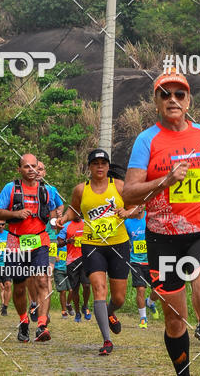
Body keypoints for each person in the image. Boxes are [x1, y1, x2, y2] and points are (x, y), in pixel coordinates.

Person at [123, 69, 200, 376]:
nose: (172, 100)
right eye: (165, 94)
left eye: (179, 94)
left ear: (188, 100)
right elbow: (129, 196)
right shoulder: (146, 140)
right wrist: (164, 181)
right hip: (162, 238)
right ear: (156, 101)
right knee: (175, 317)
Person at [56, 149, 130, 356]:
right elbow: (74, 210)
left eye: (103, 163)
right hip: (92, 244)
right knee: (98, 288)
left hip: (118, 244)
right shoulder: (81, 189)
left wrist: (127, 212)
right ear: (89, 167)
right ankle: (107, 340)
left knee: (119, 297)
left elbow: (136, 208)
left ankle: (110, 313)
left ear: (108, 166)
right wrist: (63, 219)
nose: (99, 166)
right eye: (95, 163)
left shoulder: (120, 186)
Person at [0, 153, 60, 342]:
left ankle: (41, 325)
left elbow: (54, 210)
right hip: (16, 241)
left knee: (42, 279)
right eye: (26, 167)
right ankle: (23, 321)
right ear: (19, 169)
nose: (31, 170)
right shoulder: (11, 188)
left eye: (34, 166)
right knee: (20, 287)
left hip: (40, 240)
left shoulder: (46, 190)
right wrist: (16, 213)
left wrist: (55, 221)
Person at [27, 160, 64, 322]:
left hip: (50, 238)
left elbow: (60, 207)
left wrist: (56, 218)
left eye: (41, 169)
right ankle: (34, 302)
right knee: (32, 276)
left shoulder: (51, 190)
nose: (38, 172)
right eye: (36, 169)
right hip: (30, 238)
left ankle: (44, 311)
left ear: (45, 173)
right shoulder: (26, 189)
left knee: (46, 275)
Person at [124, 205, 159, 326]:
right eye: (132, 206)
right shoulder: (127, 223)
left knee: (159, 290)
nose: (136, 208)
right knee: (141, 288)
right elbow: (123, 240)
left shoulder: (150, 217)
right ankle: (143, 318)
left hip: (152, 260)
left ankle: (149, 302)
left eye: (139, 205)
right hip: (135, 261)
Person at [58, 218, 91, 322]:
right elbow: (58, 242)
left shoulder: (87, 223)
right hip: (71, 262)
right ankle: (77, 312)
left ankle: (85, 306)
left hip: (85, 259)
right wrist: (67, 241)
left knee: (86, 285)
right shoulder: (66, 226)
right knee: (75, 289)